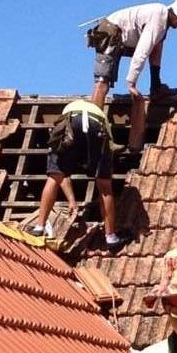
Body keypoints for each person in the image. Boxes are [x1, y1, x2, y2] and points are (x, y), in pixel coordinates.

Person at [86, 0, 177, 158]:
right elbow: (141, 53)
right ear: (173, 12)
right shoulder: (158, 18)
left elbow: (153, 48)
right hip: (110, 33)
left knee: (159, 41)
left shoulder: (163, 22)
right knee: (103, 83)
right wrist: (131, 82)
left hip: (126, 38)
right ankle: (93, 130)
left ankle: (156, 86)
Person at [28, 96, 129, 251]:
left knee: (54, 177)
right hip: (96, 125)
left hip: (69, 121)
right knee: (104, 185)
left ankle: (39, 227)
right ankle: (111, 237)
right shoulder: (104, 121)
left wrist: (72, 200)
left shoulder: (72, 107)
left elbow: (63, 175)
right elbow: (110, 148)